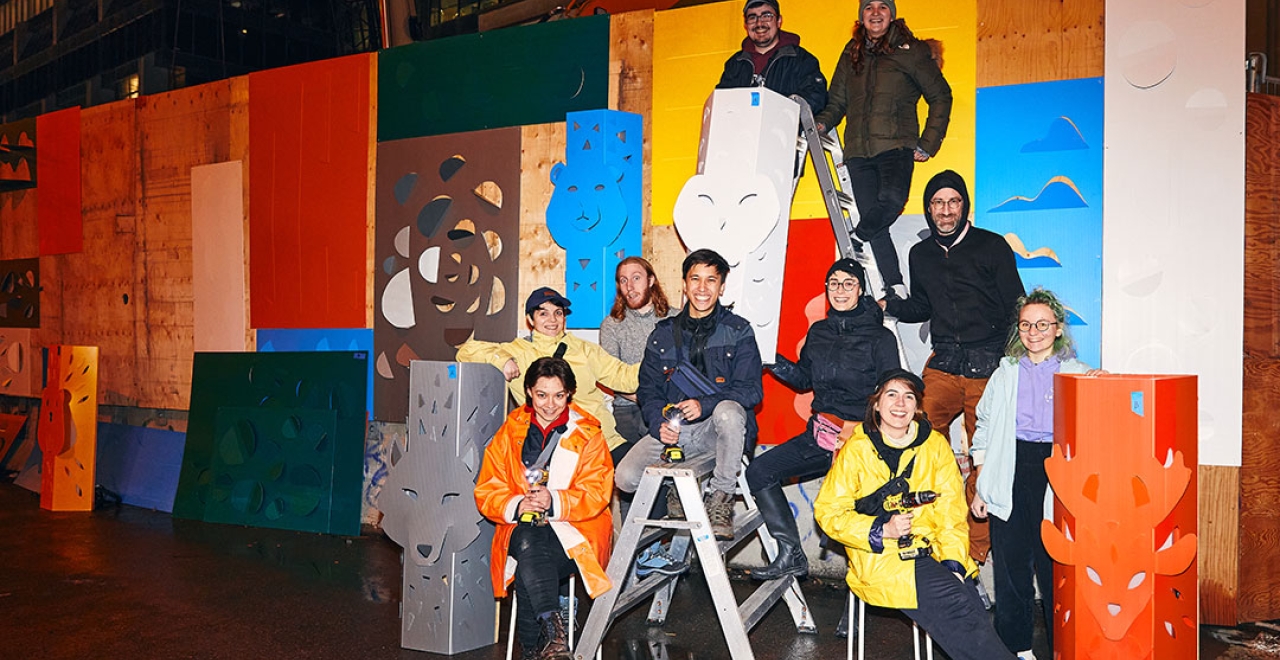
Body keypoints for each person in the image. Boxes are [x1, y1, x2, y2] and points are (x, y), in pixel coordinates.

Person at [814, 369, 1015, 660]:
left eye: (909, 397)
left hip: (931, 550)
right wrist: (881, 529)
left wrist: (954, 563)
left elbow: (951, 514)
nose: (900, 403)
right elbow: (828, 512)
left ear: (917, 406)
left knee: (970, 608)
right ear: (877, 404)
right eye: (891, 395)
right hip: (880, 554)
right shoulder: (857, 450)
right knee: (958, 606)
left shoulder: (934, 446)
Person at [882, 169, 1024, 564]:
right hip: (944, 360)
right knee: (917, 436)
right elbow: (922, 306)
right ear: (929, 209)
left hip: (988, 363)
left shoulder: (991, 246)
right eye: (937, 203)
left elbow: (1016, 305)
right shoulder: (920, 254)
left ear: (965, 206)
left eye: (953, 202)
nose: (945, 210)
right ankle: (934, 529)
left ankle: (974, 551)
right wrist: (888, 305)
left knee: (986, 456)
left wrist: (1012, 361)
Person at [970, 289, 1104, 660]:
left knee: (1055, 566)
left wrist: (1102, 382)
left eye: (1043, 324)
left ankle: (1064, 647)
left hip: (1058, 471)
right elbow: (983, 428)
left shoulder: (1078, 373)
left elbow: (1107, 417)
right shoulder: (1004, 373)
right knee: (1011, 567)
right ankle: (1016, 648)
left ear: (1058, 328)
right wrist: (982, 484)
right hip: (1010, 468)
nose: (1034, 332)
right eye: (1026, 325)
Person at [746, 257, 899, 580]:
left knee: (861, 511)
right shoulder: (819, 332)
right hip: (821, 435)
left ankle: (871, 584)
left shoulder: (881, 338)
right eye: (834, 283)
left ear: (860, 290)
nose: (840, 290)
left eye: (848, 283)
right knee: (759, 471)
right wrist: (771, 360)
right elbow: (804, 380)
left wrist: (863, 432)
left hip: (864, 440)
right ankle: (791, 554)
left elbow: (891, 394)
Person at [614, 249, 763, 541]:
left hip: (717, 431)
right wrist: (658, 422)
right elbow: (648, 389)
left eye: (711, 280)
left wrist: (705, 405)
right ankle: (676, 486)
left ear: (722, 287)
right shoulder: (662, 334)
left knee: (729, 411)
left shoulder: (738, 331)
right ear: (684, 284)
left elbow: (751, 390)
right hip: (676, 432)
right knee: (625, 478)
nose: (702, 288)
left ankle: (721, 499)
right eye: (695, 279)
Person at [474, 357, 614, 660]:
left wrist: (555, 501)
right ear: (528, 392)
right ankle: (554, 636)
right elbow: (487, 488)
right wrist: (517, 504)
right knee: (529, 541)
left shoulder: (588, 433)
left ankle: (535, 649)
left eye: (558, 395)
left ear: (569, 394)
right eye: (541, 395)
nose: (550, 404)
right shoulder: (510, 430)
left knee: (528, 558)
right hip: (523, 527)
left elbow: (597, 493)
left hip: (575, 534)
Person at [814, 0, 952, 293]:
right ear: (861, 16)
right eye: (869, 7)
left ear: (892, 15)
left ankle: (857, 237)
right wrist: (822, 124)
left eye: (882, 7)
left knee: (891, 201)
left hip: (896, 146)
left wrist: (928, 143)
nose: (875, 13)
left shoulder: (911, 51)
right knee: (876, 222)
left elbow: (941, 96)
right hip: (857, 152)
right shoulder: (851, 53)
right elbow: (837, 101)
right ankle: (895, 285)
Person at [457, 287, 639, 454]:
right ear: (530, 319)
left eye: (558, 313)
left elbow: (624, 377)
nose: (552, 320)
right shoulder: (517, 351)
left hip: (601, 441)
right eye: (543, 313)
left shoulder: (585, 349)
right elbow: (465, 352)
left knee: (639, 471)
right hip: (551, 447)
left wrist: (653, 363)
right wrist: (501, 360)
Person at [598, 257, 679, 466]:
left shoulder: (676, 319)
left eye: (636, 278)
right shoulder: (611, 325)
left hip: (670, 406)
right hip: (628, 408)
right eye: (623, 280)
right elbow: (609, 375)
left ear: (651, 281)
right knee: (629, 473)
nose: (630, 286)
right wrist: (643, 399)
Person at [717, 0, 828, 114]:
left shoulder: (801, 60)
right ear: (746, 25)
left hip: (785, 125)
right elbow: (720, 103)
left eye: (766, 16)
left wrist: (782, 111)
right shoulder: (735, 64)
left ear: (779, 21)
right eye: (752, 17)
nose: (759, 23)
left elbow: (816, 97)